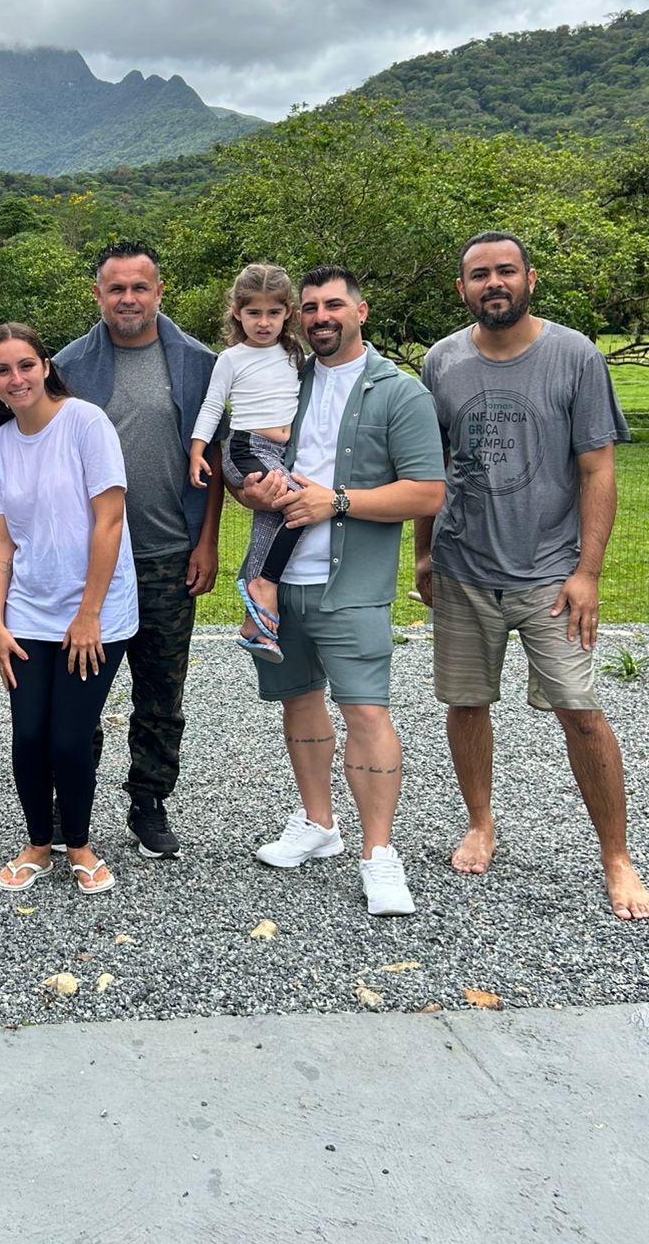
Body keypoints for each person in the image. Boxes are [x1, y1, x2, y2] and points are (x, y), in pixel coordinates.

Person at [414, 231, 649, 920]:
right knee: (466, 703)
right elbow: (431, 467)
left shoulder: (574, 355)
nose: (494, 283)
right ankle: (480, 823)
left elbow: (597, 470)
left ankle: (616, 856)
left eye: (506, 271)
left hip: (551, 573)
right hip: (463, 567)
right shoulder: (440, 361)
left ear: (529, 279)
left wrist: (588, 573)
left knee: (581, 712)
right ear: (461, 288)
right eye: (479, 274)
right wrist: (424, 554)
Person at [236, 266, 444, 915]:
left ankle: (379, 853)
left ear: (361, 310)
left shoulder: (399, 393)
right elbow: (240, 462)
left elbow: (428, 492)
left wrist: (340, 502)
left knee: (365, 711)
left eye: (333, 305)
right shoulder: (284, 382)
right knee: (298, 702)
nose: (320, 316)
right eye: (310, 307)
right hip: (277, 579)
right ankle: (318, 824)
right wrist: (251, 489)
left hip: (351, 584)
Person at [54, 242, 223, 860]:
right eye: (116, 288)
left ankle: (149, 801)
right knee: (81, 692)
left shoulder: (198, 364)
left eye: (139, 287)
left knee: (161, 696)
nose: (128, 299)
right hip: (92, 562)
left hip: (169, 553)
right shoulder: (67, 367)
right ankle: (71, 802)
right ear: (98, 294)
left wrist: (207, 542)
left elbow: (215, 457)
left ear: (159, 292)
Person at [0, 324, 138, 896]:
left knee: (69, 739)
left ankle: (79, 845)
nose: (16, 379)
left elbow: (110, 520)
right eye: (2, 370)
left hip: (96, 613)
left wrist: (89, 613)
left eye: (25, 365)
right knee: (29, 737)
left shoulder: (85, 423)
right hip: (28, 613)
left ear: (45, 366)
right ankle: (37, 845)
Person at [188, 262, 304, 661]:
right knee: (300, 504)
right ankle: (264, 587)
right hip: (246, 449)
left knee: (270, 521)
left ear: (288, 312)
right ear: (237, 312)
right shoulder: (231, 359)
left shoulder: (293, 354)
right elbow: (212, 406)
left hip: (279, 453)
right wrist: (198, 450)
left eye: (273, 312)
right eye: (254, 312)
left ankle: (256, 625)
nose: (264, 322)